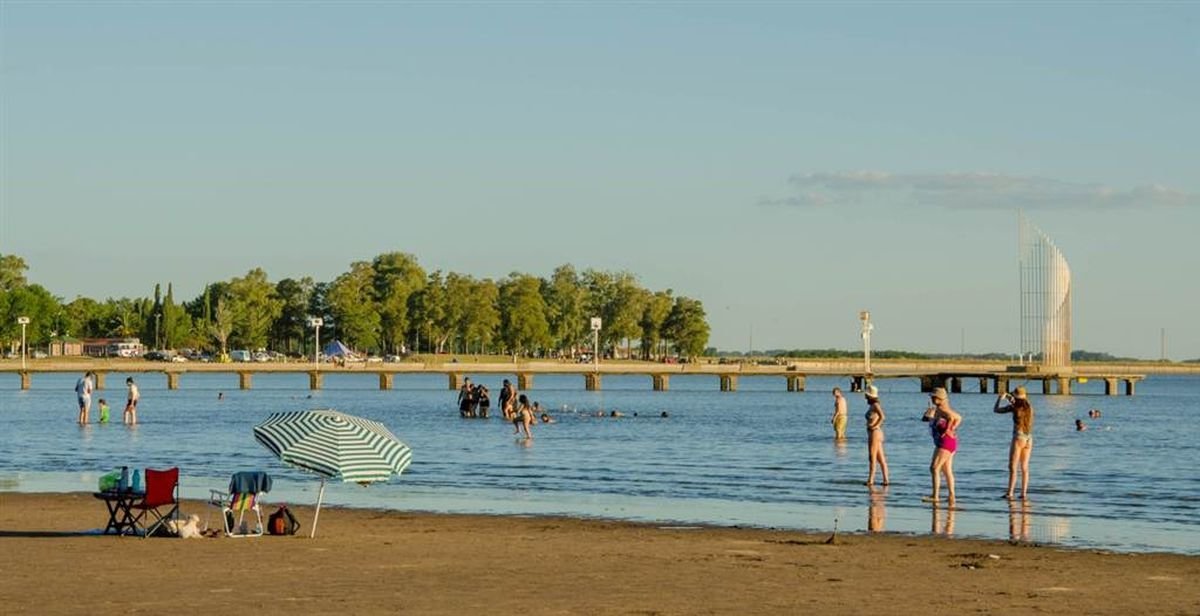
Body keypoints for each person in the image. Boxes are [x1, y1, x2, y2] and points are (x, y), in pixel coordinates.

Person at [922, 387, 962, 504]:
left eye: (934, 397)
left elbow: (952, 418)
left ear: (940, 398)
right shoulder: (938, 409)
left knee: (934, 468)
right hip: (943, 442)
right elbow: (958, 417)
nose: (932, 399)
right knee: (946, 470)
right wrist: (928, 414)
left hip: (946, 442)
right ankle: (951, 496)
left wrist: (949, 429)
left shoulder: (942, 410)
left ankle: (935, 496)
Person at [994, 386, 1034, 500]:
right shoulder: (1030, 407)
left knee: (1012, 467)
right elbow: (1018, 401)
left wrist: (999, 399)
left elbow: (996, 410)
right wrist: (1008, 397)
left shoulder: (1013, 407)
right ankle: (1023, 493)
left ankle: (1010, 492)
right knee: (1025, 467)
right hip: (1029, 438)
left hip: (1018, 437)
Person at [863, 385, 890, 487]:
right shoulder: (873, 405)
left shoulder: (875, 405)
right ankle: (886, 479)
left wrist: (874, 425)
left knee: (872, 457)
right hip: (875, 432)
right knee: (880, 457)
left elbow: (882, 416)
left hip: (875, 433)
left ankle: (871, 479)